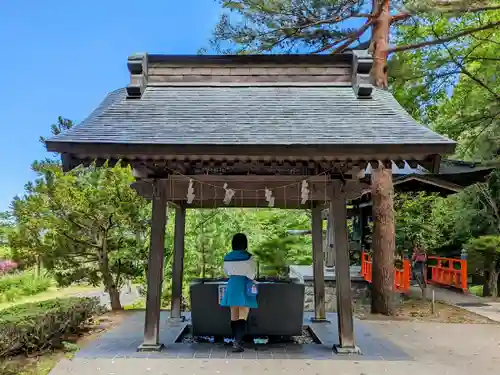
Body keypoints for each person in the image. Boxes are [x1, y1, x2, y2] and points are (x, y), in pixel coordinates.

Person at [220, 233, 258, 352]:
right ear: (245, 244)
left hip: (232, 284)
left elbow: (226, 273)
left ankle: (235, 340)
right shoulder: (249, 257)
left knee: (234, 314)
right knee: (243, 312)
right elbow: (252, 274)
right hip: (244, 285)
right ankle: (238, 342)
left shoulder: (227, 257)